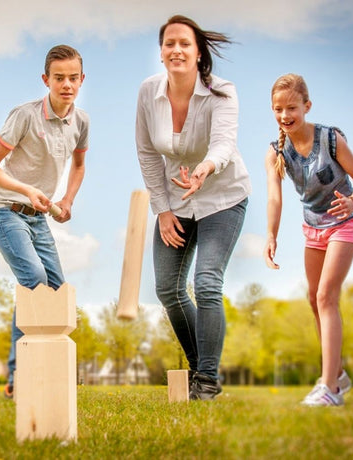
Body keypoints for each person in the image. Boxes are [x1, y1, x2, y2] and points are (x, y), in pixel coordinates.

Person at [136, 15, 251, 400]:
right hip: (175, 202)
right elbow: (148, 153)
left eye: (185, 43)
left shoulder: (223, 92)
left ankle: (206, 381)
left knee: (206, 282)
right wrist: (162, 210)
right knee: (168, 288)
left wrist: (204, 169)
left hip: (223, 196)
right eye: (169, 43)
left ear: (198, 51)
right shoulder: (148, 93)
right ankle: (200, 368)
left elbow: (223, 142)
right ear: (161, 51)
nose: (177, 50)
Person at [0, 44, 89, 399]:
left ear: (82, 79)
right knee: (35, 280)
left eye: (73, 78)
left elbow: (79, 164)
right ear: (46, 80)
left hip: (38, 217)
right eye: (59, 78)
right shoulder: (25, 116)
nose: (66, 85)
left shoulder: (81, 122)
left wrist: (67, 199)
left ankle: (49, 371)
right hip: (3, 209)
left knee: (55, 288)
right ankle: (19, 375)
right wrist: (28, 190)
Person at [264, 73, 353, 406]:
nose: (285, 115)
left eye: (291, 107)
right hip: (313, 229)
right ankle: (336, 373)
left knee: (326, 296)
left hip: (345, 222)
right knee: (314, 299)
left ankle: (330, 389)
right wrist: (271, 235)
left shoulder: (331, 140)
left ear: (307, 106)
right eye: (278, 109)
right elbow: (275, 199)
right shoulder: (275, 153)